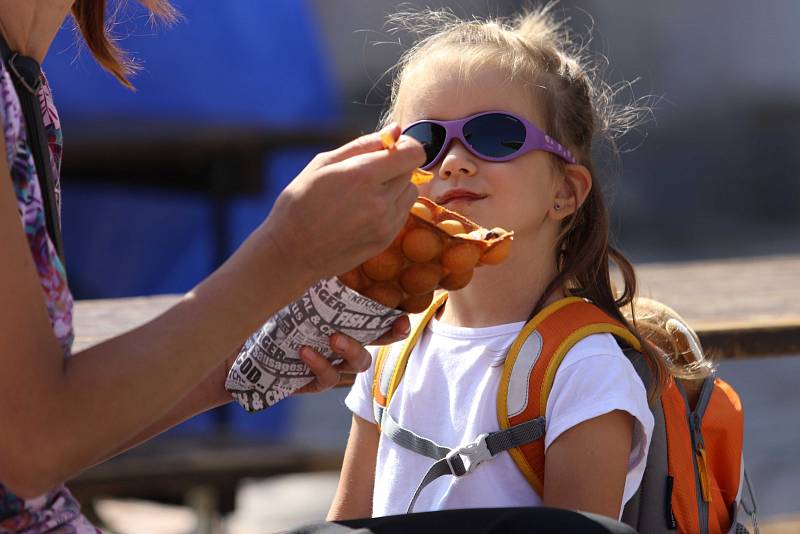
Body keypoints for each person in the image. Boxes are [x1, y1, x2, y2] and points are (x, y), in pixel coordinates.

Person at [0, 1, 424, 531]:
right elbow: (30, 451)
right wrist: (284, 256)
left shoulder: (22, 78)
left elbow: (35, 429)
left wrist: (226, 364)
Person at [328, 5, 669, 523]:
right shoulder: (391, 345)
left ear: (565, 191)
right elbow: (347, 524)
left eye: (495, 136)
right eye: (425, 141)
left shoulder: (585, 369)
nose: (454, 161)